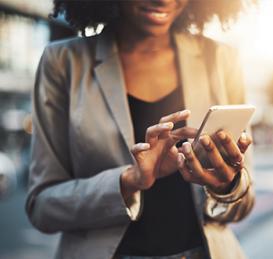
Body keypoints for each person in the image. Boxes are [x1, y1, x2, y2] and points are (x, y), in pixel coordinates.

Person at [26, 1, 255, 258]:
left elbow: (244, 202)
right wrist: (128, 181)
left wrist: (226, 186)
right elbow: (42, 207)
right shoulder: (63, 62)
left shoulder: (221, 59)